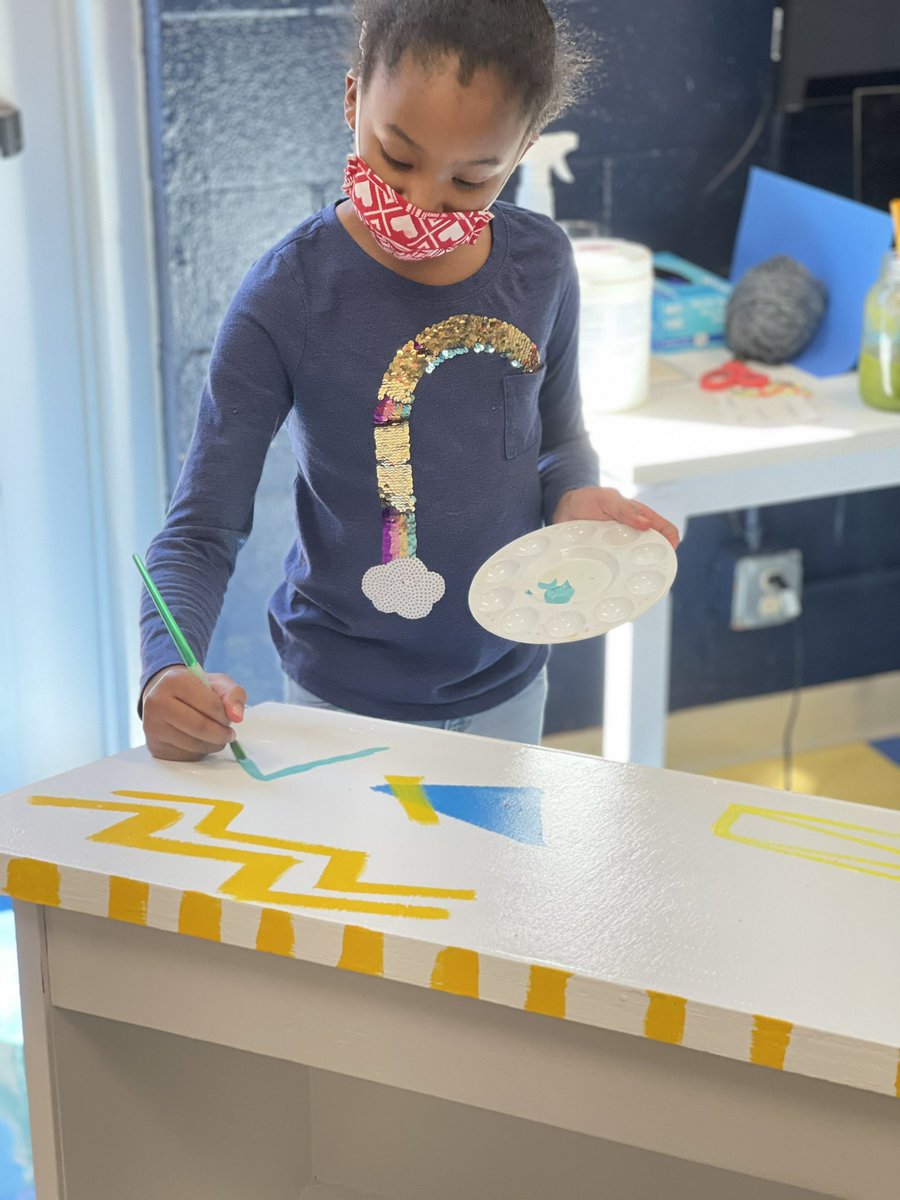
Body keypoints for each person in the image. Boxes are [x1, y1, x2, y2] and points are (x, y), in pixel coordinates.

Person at [140, 0, 679, 760]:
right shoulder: (286, 298)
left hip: (509, 686)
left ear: (523, 148)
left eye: (470, 179)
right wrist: (165, 667)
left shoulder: (542, 266)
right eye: (397, 159)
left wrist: (572, 495)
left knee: (496, 881)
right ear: (354, 98)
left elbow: (559, 438)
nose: (423, 202)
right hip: (342, 704)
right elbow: (199, 529)